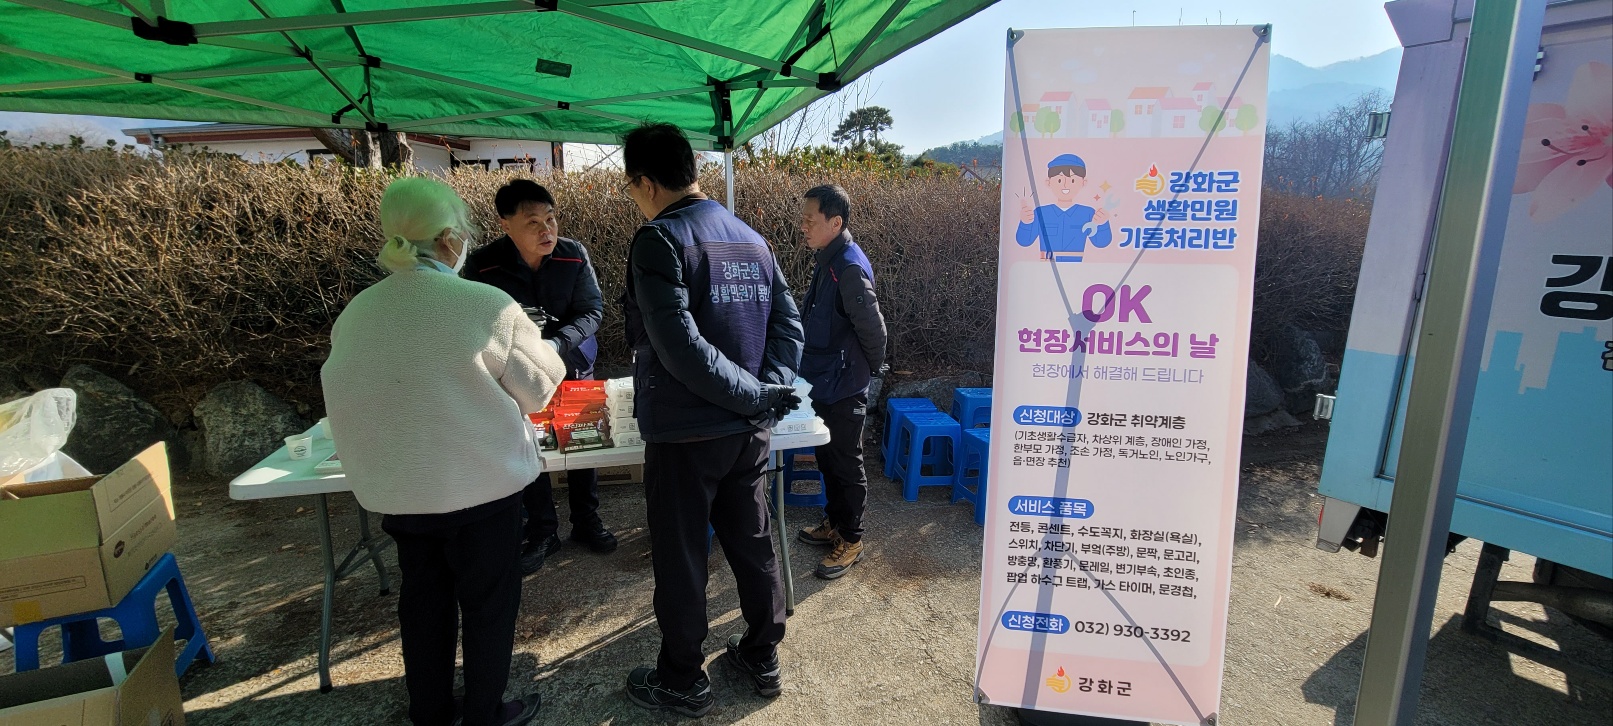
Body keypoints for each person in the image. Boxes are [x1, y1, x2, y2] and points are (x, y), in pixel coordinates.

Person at [322, 177, 566, 726]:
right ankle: (484, 713)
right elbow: (538, 388)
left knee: (423, 604)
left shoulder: (358, 312)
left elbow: (341, 392)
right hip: (482, 489)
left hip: (402, 494)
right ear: (450, 238)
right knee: (489, 605)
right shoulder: (485, 304)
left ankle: (430, 712)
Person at [618, 123, 804, 717]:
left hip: (686, 432)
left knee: (682, 558)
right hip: (747, 432)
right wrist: (765, 392)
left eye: (632, 188)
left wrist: (755, 396)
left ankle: (682, 678)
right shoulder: (751, 237)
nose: (635, 198)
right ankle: (762, 653)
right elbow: (788, 326)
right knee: (752, 543)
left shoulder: (658, 239)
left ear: (646, 183)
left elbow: (679, 348)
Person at [465, 179, 617, 575]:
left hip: (573, 363)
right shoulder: (484, 265)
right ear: (505, 225)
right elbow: (476, 320)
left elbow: (591, 311)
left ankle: (586, 520)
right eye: (533, 222)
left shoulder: (573, 254)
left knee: (584, 443)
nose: (546, 230)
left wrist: (555, 344)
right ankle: (543, 530)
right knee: (531, 446)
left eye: (550, 219)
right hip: (517, 374)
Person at [794, 184, 887, 580]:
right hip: (824, 379)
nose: (803, 227)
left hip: (844, 384)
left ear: (835, 222)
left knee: (846, 464)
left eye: (810, 220)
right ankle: (834, 522)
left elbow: (874, 331)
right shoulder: (828, 258)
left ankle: (851, 539)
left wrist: (865, 372)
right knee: (828, 458)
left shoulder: (848, 267)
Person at [1015, 153, 1112, 262]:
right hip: (1046, 266)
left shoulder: (1087, 213)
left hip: (1075, 267)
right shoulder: (1040, 212)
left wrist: (1103, 224)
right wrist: (1025, 223)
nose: (1065, 185)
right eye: (1059, 180)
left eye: (1072, 181)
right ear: (1048, 182)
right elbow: (1024, 241)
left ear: (1083, 182)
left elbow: (1101, 243)